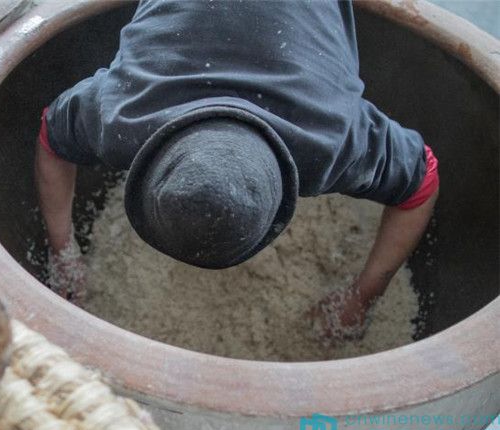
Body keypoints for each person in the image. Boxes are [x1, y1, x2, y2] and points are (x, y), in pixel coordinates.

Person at [34, 0, 439, 340]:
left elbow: (423, 179)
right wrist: (63, 252)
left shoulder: (329, 141)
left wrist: (361, 298)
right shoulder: (123, 116)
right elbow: (52, 135)